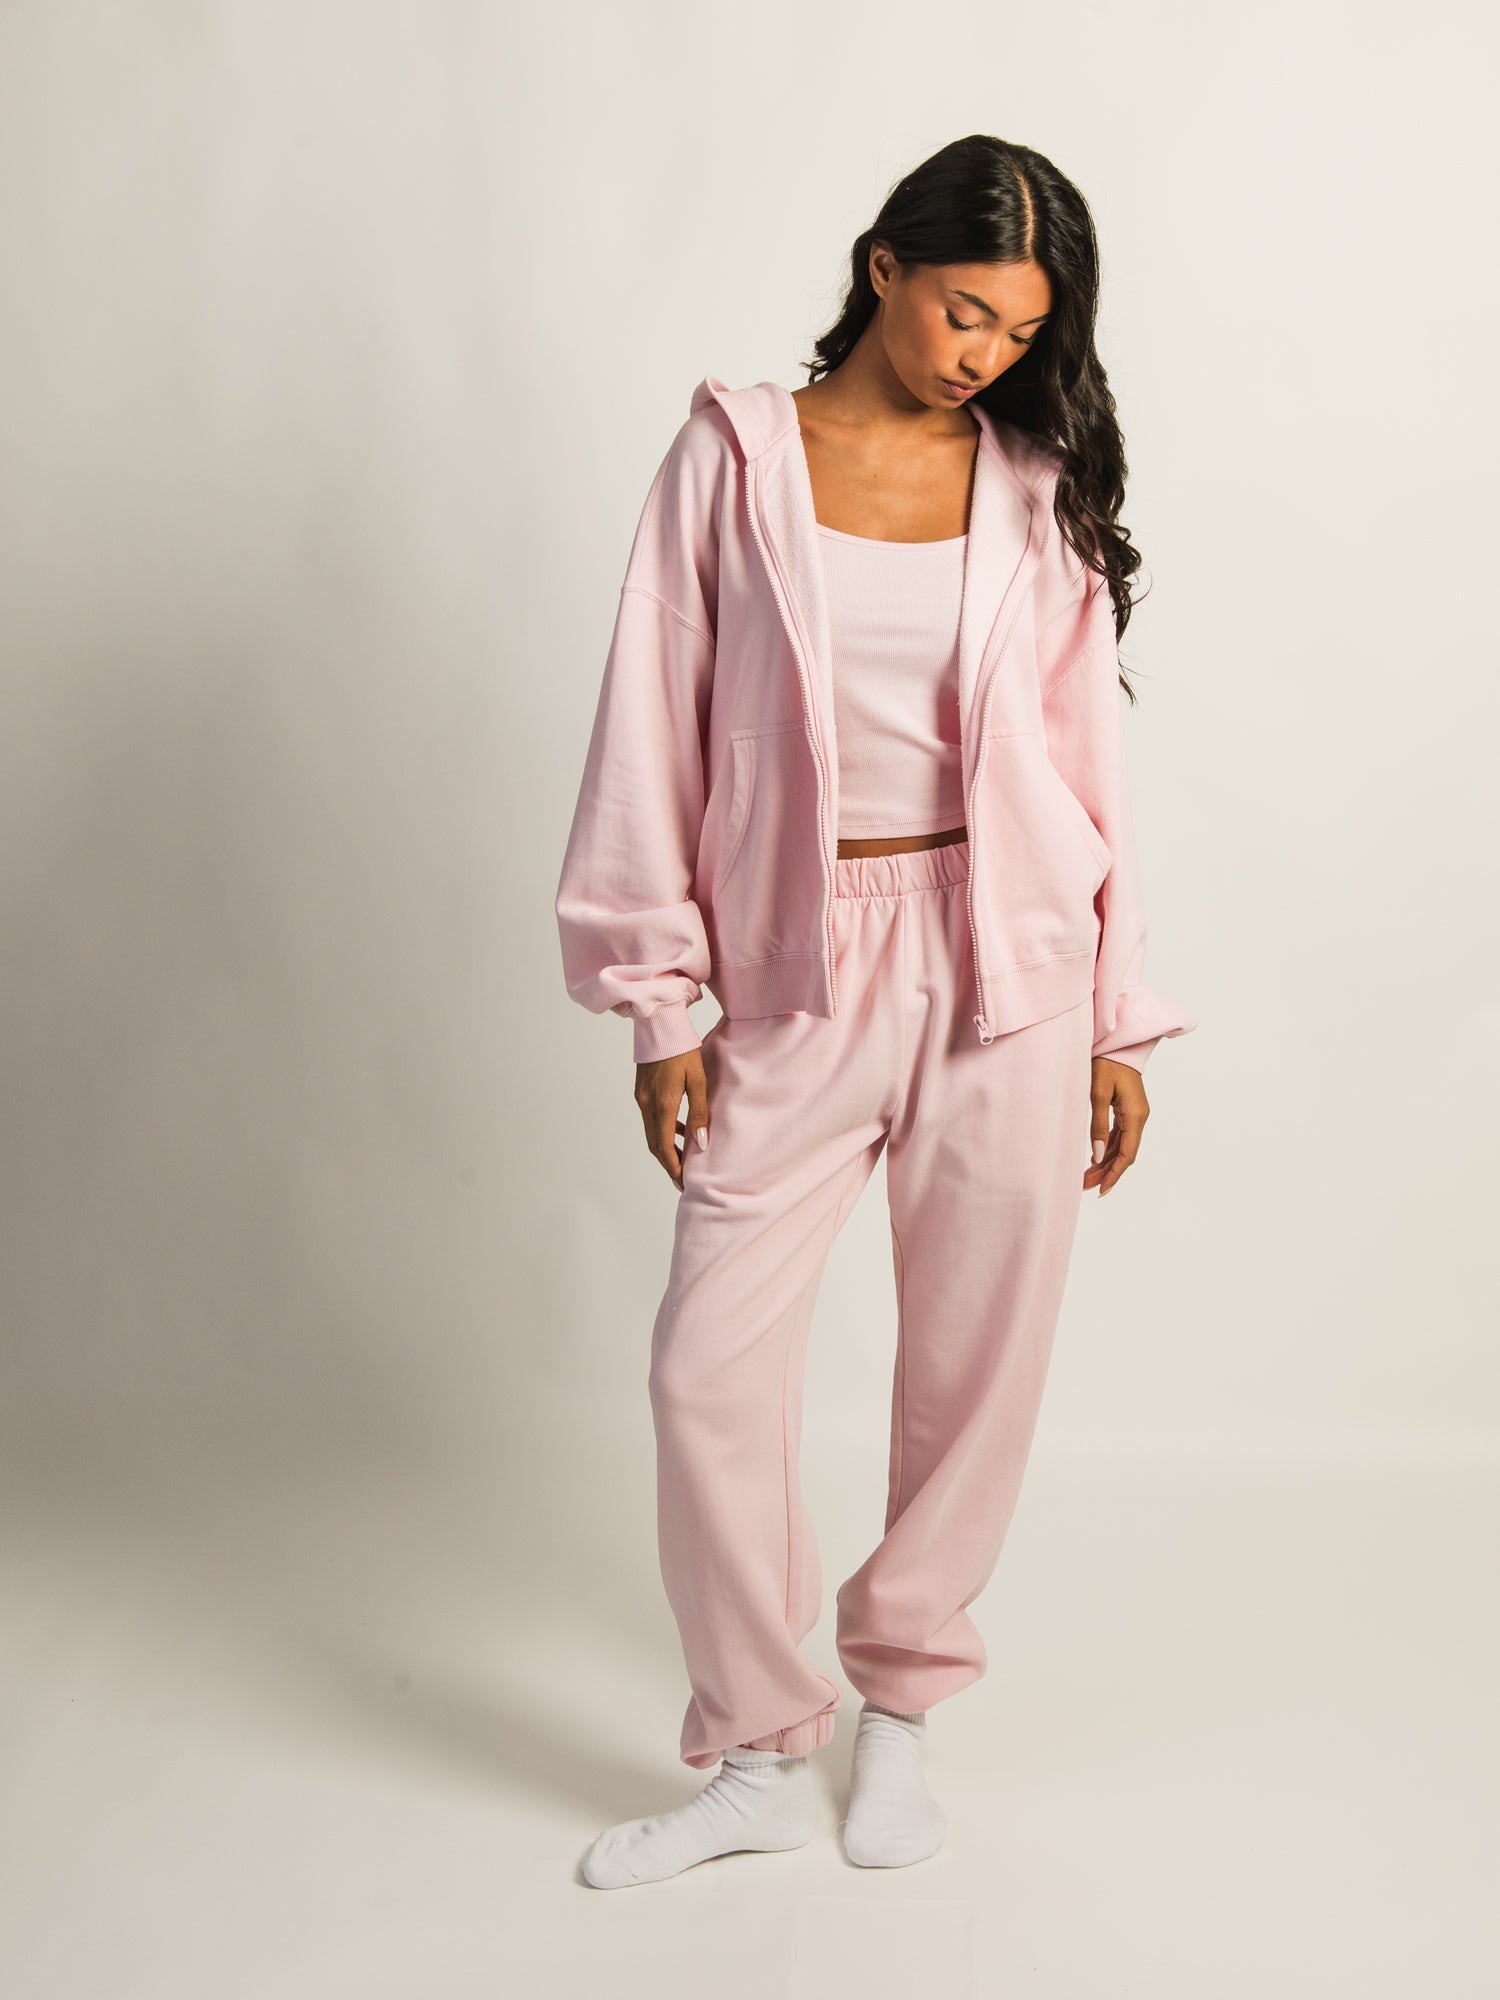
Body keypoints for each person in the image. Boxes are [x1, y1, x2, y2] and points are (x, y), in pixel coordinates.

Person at [554, 132, 1198, 1887]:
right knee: (707, 1366)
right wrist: (660, 1000)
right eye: (966, 310)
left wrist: (1116, 1016)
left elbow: (1088, 759)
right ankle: (764, 1748)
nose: (985, 352)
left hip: (1012, 966)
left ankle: (899, 1709)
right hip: (794, 959)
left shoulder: (1034, 482)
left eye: (1022, 331)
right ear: (883, 266)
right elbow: (648, 717)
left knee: (974, 1367)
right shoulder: (735, 456)